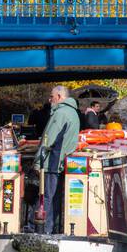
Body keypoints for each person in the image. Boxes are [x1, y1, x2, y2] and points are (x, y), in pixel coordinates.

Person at [34, 86, 82, 234]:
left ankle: (39, 230)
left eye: (51, 96)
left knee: (46, 196)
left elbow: (49, 139)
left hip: (52, 162)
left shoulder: (61, 114)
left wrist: (36, 162)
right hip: (62, 161)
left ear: (60, 96)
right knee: (54, 198)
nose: (50, 100)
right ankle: (51, 228)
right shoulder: (73, 113)